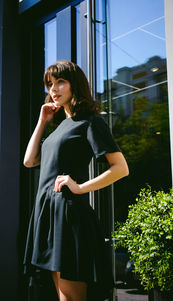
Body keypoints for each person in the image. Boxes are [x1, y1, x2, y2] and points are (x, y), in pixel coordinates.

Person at [23, 60, 129, 301]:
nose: (54, 89)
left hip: (68, 214)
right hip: (47, 213)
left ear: (75, 85)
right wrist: (43, 121)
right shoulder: (60, 127)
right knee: (61, 296)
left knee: (70, 297)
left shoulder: (90, 122)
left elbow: (121, 168)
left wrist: (80, 187)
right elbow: (29, 161)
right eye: (50, 84)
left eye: (61, 82)